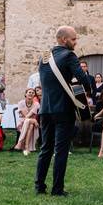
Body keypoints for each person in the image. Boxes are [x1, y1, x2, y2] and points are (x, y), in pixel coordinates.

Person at [35, 26, 86, 196]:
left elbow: (47, 80)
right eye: (73, 39)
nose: (76, 42)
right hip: (63, 109)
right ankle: (57, 189)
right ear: (64, 40)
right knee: (61, 150)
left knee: (45, 149)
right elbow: (83, 79)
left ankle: (39, 186)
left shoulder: (44, 56)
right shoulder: (69, 55)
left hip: (45, 108)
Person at [13, 88, 40, 155]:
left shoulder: (36, 104)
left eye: (33, 93)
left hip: (31, 123)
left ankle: (20, 143)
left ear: (34, 95)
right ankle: (27, 147)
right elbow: (25, 116)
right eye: (29, 92)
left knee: (30, 124)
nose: (31, 93)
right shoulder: (21, 102)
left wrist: (32, 120)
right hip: (22, 122)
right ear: (25, 94)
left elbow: (29, 116)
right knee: (28, 122)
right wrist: (33, 120)